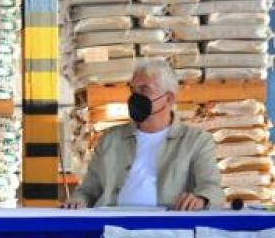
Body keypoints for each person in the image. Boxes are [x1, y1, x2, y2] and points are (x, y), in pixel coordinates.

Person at [64, 58, 222, 211]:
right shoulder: (110, 139)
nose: (135, 97)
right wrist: (78, 201)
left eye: (144, 89)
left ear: (168, 99)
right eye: (133, 90)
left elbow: (212, 188)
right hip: (112, 222)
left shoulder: (196, 141)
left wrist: (201, 199)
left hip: (168, 224)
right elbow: (88, 190)